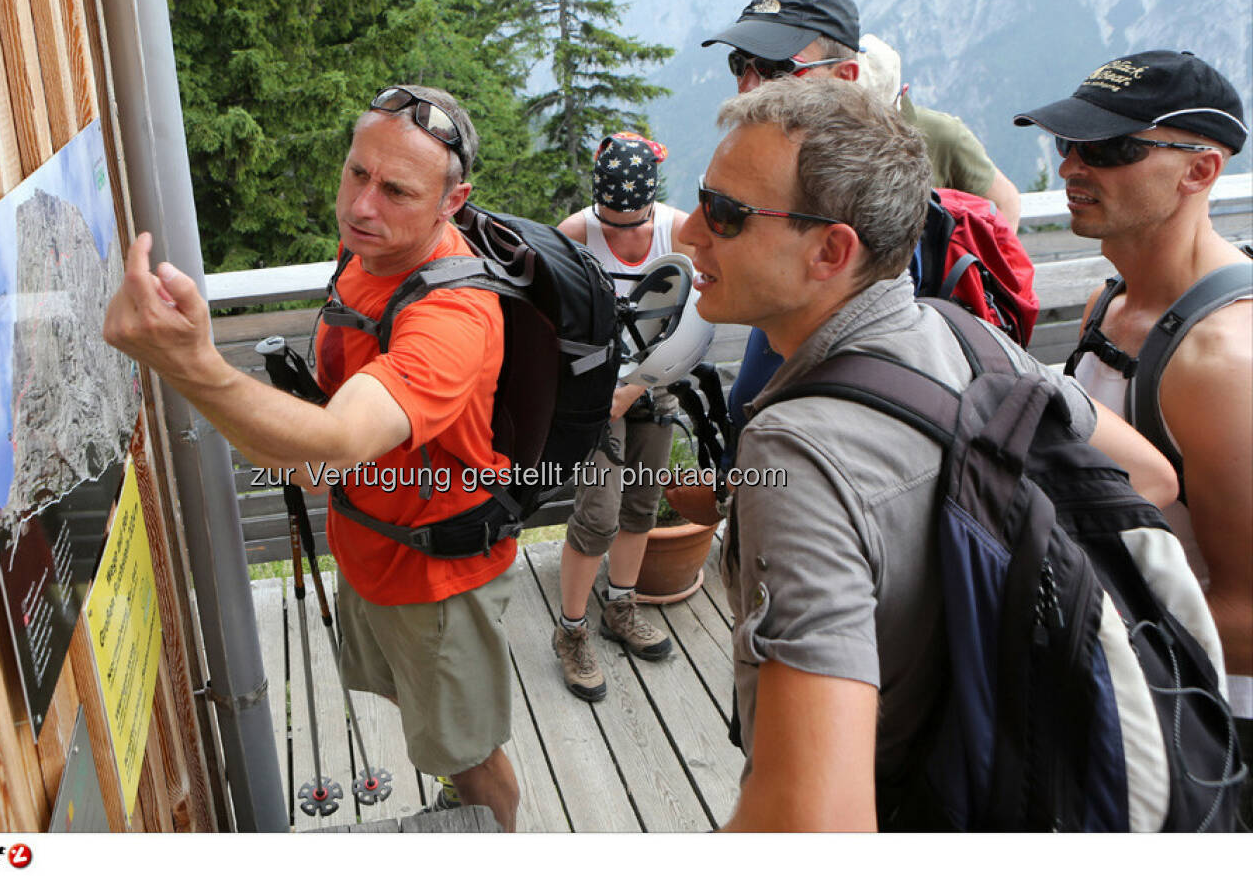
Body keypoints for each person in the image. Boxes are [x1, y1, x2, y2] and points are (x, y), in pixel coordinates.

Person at [680, 77, 1177, 830]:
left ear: (830, 251)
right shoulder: (967, 337)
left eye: (724, 213)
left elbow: (815, 823)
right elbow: (1151, 477)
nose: (688, 231)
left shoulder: (798, 451)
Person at [103, 85, 521, 831]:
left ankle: (488, 831)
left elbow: (329, 450)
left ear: (452, 203)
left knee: (471, 753)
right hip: (377, 547)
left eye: (397, 190)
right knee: (429, 720)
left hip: (437, 582)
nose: (363, 206)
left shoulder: (455, 320)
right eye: (358, 173)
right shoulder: (370, 250)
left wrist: (189, 363)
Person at [1014, 49, 1252, 827]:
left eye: (1111, 150)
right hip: (1132, 684)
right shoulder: (1105, 308)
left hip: (1210, 729)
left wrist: (1056, 634)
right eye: (1070, 144)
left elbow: (1251, 615)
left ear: (1200, 171)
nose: (1074, 167)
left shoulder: (1223, 361)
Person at [703, 0, 1025, 443]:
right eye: (740, 64)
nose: (750, 87)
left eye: (776, 68)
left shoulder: (876, 226)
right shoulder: (784, 200)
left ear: (846, 78)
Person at [551, 133, 692, 701]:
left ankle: (621, 606)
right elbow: (557, 320)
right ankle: (571, 632)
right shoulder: (576, 233)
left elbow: (692, 320)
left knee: (640, 504)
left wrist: (635, 389)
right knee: (599, 513)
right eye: (609, 224)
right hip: (596, 393)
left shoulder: (677, 232)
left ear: (651, 208)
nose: (620, 235)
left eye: (631, 225)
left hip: (653, 385)